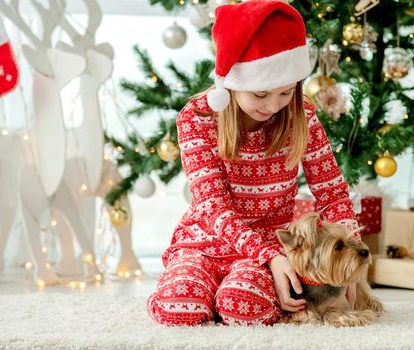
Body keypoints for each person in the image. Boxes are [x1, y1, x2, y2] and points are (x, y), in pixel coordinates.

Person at [147, 0, 360, 326]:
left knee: (244, 306)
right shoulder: (197, 118)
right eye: (260, 94)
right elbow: (213, 207)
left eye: (285, 93)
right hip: (204, 244)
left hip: (264, 252)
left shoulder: (301, 118)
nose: (273, 106)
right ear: (232, 83)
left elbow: (332, 193)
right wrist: (271, 256)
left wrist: (348, 269)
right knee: (180, 307)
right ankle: (194, 288)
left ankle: (223, 296)